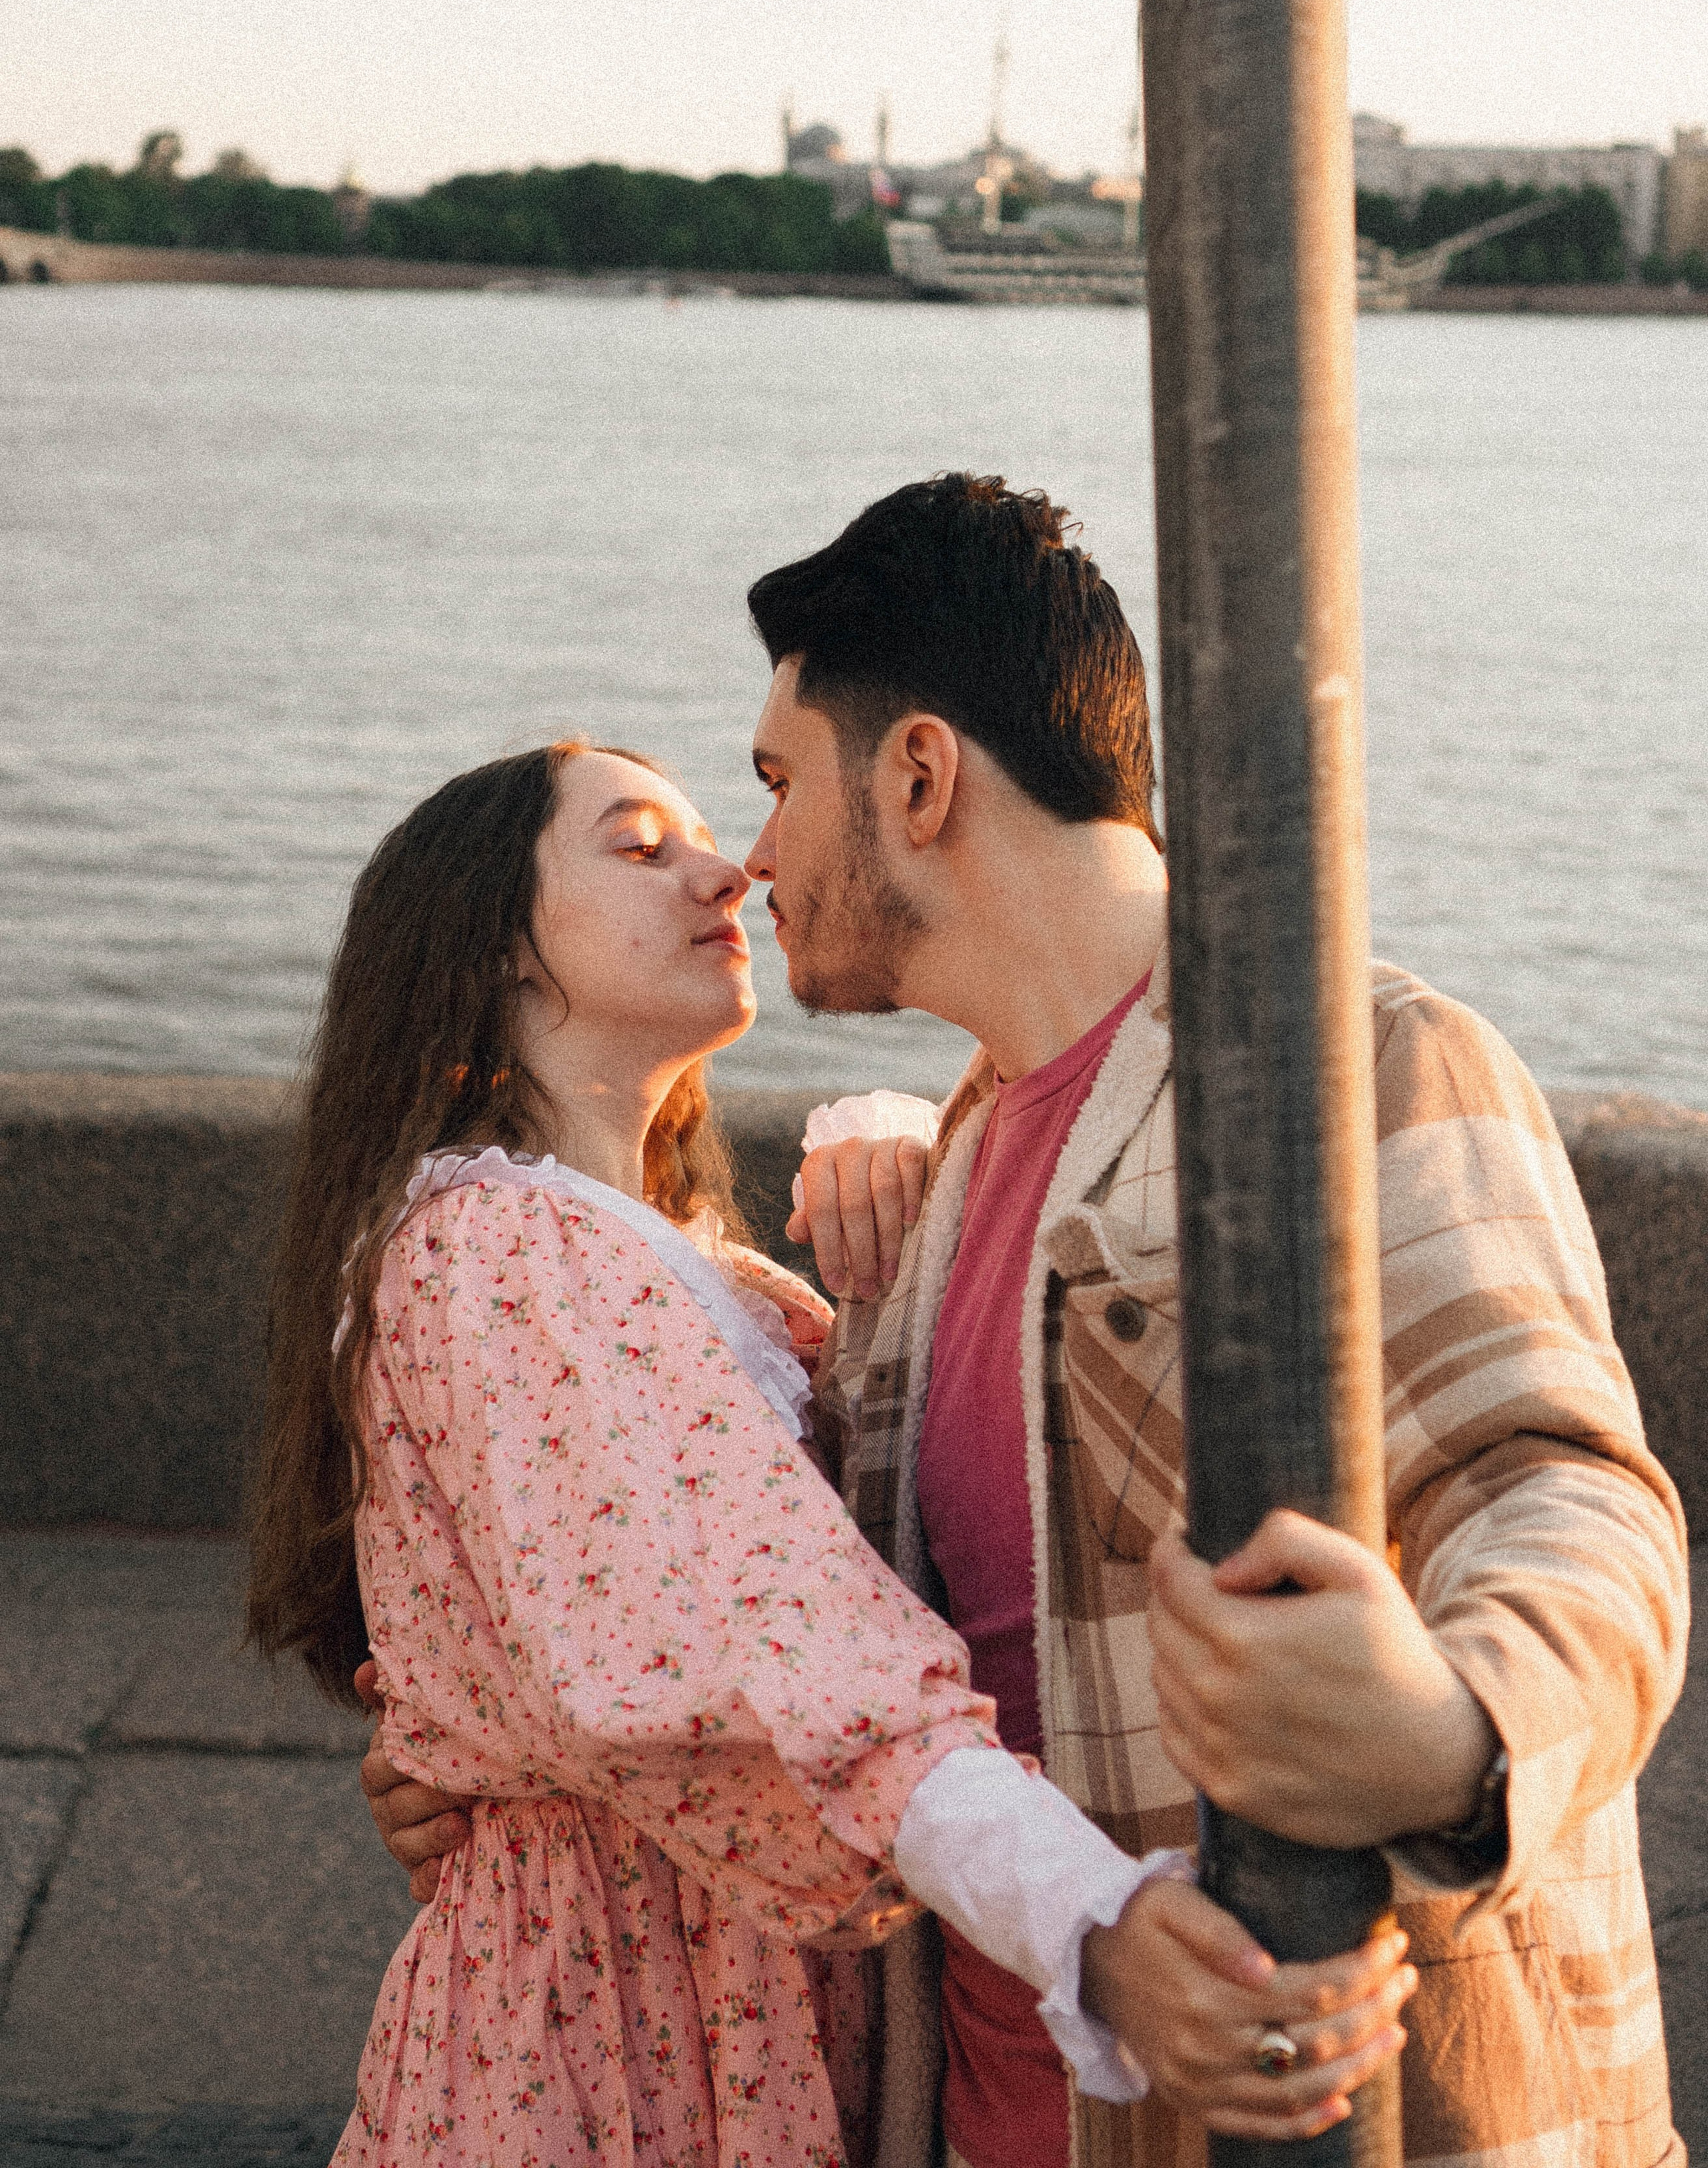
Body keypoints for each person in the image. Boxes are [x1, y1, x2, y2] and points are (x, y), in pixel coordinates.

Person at [366, 477, 1688, 2168]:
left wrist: (1448, 1733)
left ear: (916, 776)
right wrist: (512, 1762)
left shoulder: (1344, 1059)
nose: (751, 858)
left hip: (1340, 2113)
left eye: (777, 785)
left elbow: (1566, 1495)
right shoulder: (963, 1163)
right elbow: (778, 1620)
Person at [250, 733, 1412, 2168]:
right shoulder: (497, 1249)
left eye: (706, 831)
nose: (724, 866)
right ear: (491, 944)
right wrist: (1093, 1929)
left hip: (730, 2005)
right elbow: (782, 1634)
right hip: (605, 2038)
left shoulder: (679, 1265)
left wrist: (907, 1136)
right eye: (636, 844)